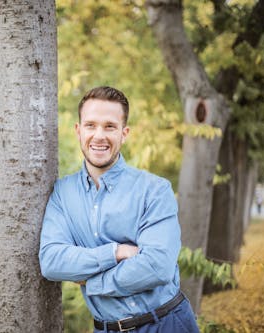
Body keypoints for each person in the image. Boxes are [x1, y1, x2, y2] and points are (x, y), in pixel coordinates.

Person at [39, 86, 199, 332]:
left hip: (165, 323)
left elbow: (157, 267)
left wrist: (90, 282)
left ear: (124, 133)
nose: (99, 135)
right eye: (91, 125)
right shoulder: (63, 193)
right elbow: (51, 261)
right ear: (78, 131)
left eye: (110, 126)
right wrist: (115, 252)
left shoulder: (154, 190)